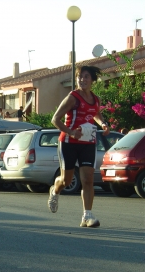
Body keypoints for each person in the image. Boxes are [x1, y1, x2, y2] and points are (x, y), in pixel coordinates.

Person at [48, 65, 110, 227]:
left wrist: (103, 124)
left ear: (92, 80)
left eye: (86, 76)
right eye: (80, 77)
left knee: (88, 179)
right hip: (68, 143)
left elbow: (96, 113)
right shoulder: (72, 97)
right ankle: (55, 190)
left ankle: (87, 216)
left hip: (88, 143)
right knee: (67, 181)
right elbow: (55, 119)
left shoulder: (96, 99)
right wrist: (71, 132)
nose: (82, 79)